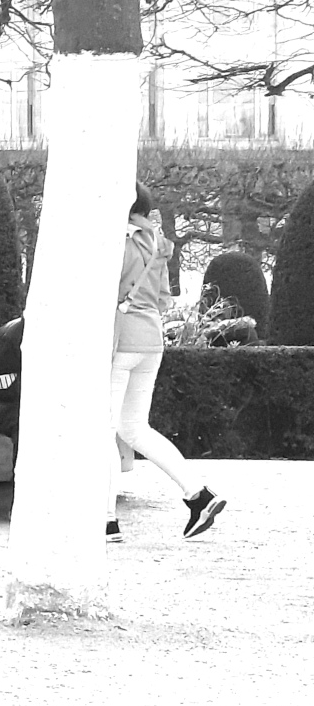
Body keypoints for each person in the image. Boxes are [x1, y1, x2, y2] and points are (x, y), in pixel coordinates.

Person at [114, 184, 226, 541]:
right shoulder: (158, 244)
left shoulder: (118, 240)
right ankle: (198, 494)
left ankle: (106, 520)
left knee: (104, 431)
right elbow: (163, 299)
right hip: (152, 339)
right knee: (134, 429)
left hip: (120, 341)